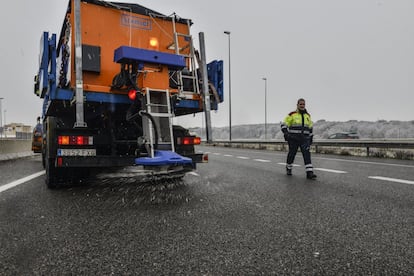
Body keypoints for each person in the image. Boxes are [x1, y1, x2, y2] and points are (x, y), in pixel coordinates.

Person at [281, 98, 317, 179]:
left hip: (305, 139)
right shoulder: (292, 114)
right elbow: (283, 124)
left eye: (303, 104)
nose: (302, 105)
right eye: (300, 104)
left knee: (307, 155)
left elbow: (310, 127)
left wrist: (310, 137)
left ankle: (309, 173)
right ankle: (289, 168)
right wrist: (286, 133)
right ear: (297, 105)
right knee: (292, 154)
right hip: (293, 139)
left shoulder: (308, 116)